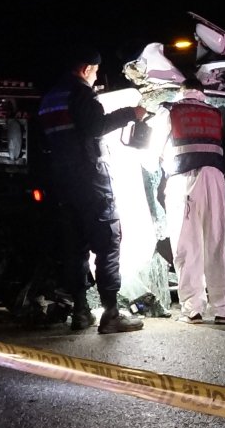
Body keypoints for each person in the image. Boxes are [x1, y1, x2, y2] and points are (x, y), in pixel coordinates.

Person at [37, 46, 147, 334]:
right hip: (90, 179)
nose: (96, 76)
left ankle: (80, 311)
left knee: (74, 247)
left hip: (62, 181)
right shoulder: (81, 93)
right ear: (86, 69)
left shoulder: (50, 98)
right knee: (107, 241)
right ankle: (111, 314)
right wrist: (131, 113)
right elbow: (95, 127)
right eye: (95, 71)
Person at [160, 74, 225, 325]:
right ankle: (224, 309)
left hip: (184, 179)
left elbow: (154, 148)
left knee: (187, 245)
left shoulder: (171, 110)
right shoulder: (214, 113)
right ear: (201, 92)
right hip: (215, 179)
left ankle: (192, 309)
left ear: (181, 91)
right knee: (216, 244)